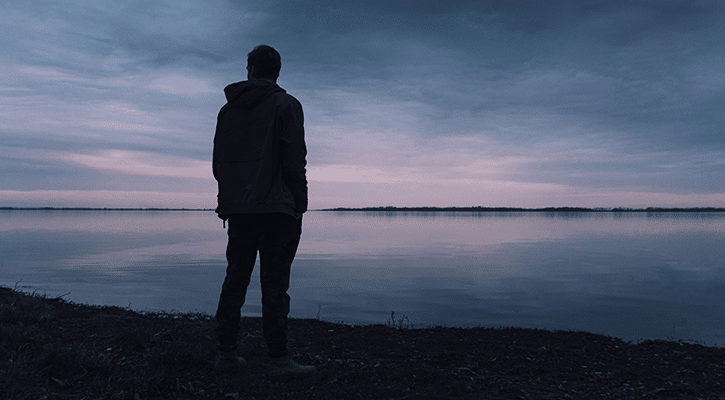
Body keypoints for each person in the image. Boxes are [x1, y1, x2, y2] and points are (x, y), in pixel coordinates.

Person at [212, 45, 314, 376]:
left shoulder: (227, 112)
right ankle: (278, 359)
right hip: (276, 210)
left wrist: (229, 200)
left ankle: (225, 353)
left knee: (235, 279)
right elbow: (294, 159)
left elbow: (218, 164)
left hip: (239, 209)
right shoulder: (287, 105)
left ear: (250, 70)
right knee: (274, 285)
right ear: (277, 72)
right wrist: (300, 202)